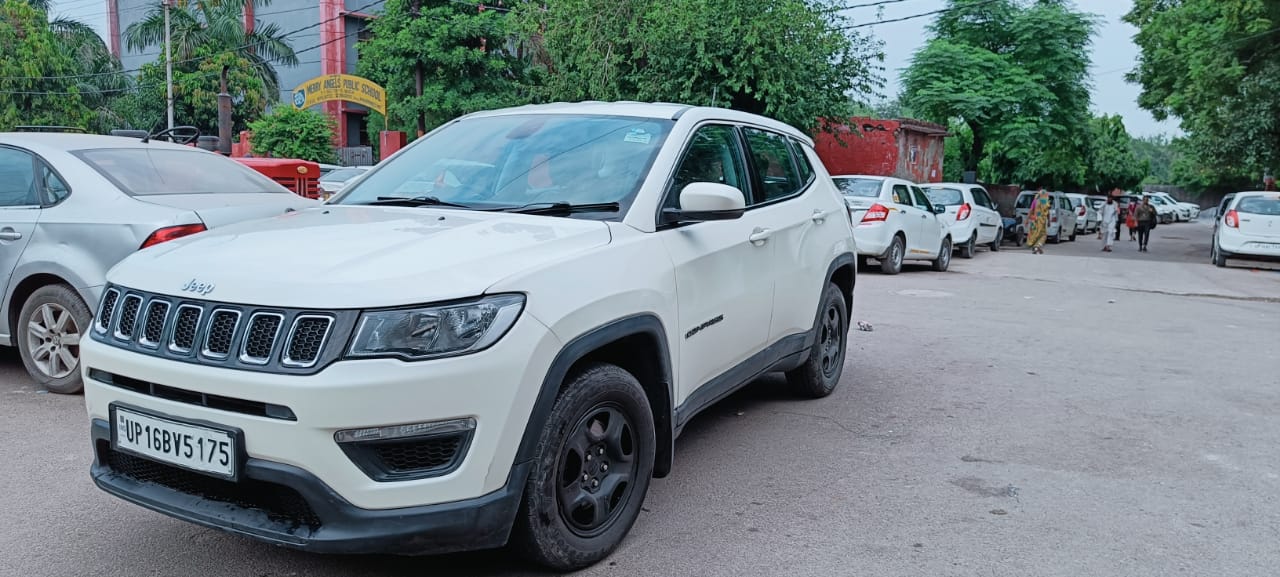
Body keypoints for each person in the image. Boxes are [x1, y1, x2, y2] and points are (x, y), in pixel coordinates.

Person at [1025, 187, 1052, 254]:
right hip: (1042, 222)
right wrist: (1049, 221)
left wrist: (1027, 220)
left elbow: (1031, 211)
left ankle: (1035, 247)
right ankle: (1037, 246)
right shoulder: (1045, 202)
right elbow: (1048, 212)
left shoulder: (1035, 201)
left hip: (1034, 220)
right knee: (1043, 235)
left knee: (1034, 234)